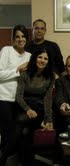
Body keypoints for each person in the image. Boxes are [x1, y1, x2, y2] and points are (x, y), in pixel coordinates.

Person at [15, 48, 55, 166]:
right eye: (40, 57)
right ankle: (26, 161)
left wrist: (48, 119)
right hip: (24, 107)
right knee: (24, 132)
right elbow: (18, 96)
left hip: (39, 109)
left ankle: (13, 159)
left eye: (45, 58)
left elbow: (48, 99)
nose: (42, 60)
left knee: (22, 127)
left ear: (48, 61)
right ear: (35, 58)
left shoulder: (50, 77)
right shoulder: (25, 74)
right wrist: (27, 109)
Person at [0, 24, 31, 166]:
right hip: (4, 98)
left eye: (23, 36)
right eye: (17, 36)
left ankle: (15, 161)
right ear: (13, 39)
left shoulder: (30, 56)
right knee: (7, 134)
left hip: (20, 100)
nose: (20, 39)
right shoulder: (6, 50)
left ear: (27, 38)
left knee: (19, 133)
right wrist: (17, 70)